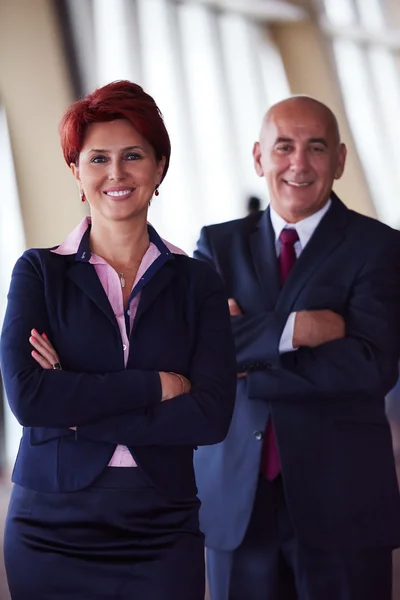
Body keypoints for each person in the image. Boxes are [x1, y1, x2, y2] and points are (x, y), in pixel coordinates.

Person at [0, 80, 237, 599]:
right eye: (97, 158)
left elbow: (212, 415)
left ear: (159, 167)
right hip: (50, 524)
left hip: (162, 521)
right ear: (76, 174)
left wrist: (77, 406)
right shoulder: (38, 272)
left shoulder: (198, 282)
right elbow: (30, 399)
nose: (116, 173)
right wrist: (156, 385)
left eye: (133, 155)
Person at [193, 95, 400, 600]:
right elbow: (201, 355)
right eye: (284, 147)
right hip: (237, 500)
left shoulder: (381, 248)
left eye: (316, 148)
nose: (299, 164)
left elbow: (371, 367)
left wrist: (250, 357)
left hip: (343, 503)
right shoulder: (217, 245)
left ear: (341, 160)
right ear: (259, 157)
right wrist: (300, 330)